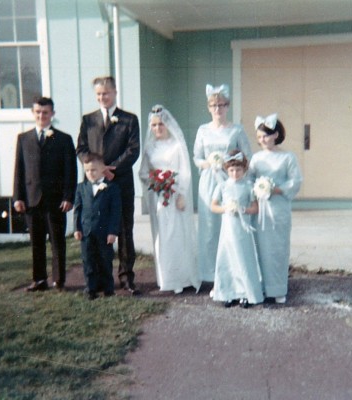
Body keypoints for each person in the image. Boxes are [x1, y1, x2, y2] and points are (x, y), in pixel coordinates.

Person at [76, 76, 140, 294]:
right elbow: (81, 149)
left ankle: (126, 277)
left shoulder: (129, 120)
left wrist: (111, 168)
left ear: (114, 93)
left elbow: (133, 150)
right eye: (99, 94)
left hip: (119, 182)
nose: (102, 97)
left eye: (106, 93)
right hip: (94, 185)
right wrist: (97, 169)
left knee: (123, 229)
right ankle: (99, 279)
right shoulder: (88, 120)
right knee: (95, 232)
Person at [13, 96, 77, 291]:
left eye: (45, 112)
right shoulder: (24, 139)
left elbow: (70, 171)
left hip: (55, 200)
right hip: (32, 200)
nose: (41, 115)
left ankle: (59, 280)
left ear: (52, 114)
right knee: (36, 243)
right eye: (38, 112)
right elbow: (19, 170)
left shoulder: (64, 139)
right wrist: (18, 197)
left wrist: (68, 196)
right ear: (33, 113)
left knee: (57, 242)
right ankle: (39, 280)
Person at [193, 84, 252, 283]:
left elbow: (246, 156)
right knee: (209, 227)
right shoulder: (203, 130)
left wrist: (230, 167)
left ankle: (233, 272)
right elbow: (197, 158)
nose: (218, 109)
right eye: (214, 105)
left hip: (230, 180)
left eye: (222, 105)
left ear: (228, 106)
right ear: (209, 108)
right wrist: (209, 163)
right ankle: (210, 273)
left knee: (230, 226)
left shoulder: (236, 130)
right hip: (209, 181)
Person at [139, 105, 201, 294]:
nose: (158, 128)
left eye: (161, 124)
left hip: (177, 196)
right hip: (159, 198)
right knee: (163, 236)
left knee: (177, 235)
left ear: (168, 125)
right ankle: (167, 278)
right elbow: (143, 173)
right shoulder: (150, 148)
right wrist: (155, 183)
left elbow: (185, 171)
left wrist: (181, 193)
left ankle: (182, 277)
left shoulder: (177, 145)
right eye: (154, 125)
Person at [248, 113, 302, 304]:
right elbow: (249, 179)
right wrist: (256, 191)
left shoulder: (287, 157)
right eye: (259, 137)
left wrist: (276, 189)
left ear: (276, 135)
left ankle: (278, 289)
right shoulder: (256, 159)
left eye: (266, 136)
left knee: (277, 248)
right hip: (261, 210)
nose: (262, 140)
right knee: (260, 248)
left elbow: (295, 181)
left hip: (279, 209)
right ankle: (261, 287)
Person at [211, 150, 264, 308]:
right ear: (227, 170)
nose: (235, 173)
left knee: (243, 258)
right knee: (227, 258)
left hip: (242, 229)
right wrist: (226, 208)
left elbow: (255, 208)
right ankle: (228, 293)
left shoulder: (248, 186)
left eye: (238, 170)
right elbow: (213, 206)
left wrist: (242, 209)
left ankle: (245, 294)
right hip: (228, 230)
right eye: (231, 170)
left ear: (244, 169)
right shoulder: (222, 186)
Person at [73, 153, 121, 300]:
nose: (90, 173)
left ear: (102, 169)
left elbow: (115, 212)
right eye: (87, 170)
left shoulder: (112, 188)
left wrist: (113, 232)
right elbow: (78, 209)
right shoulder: (82, 187)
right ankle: (90, 289)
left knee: (105, 261)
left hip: (104, 232)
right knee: (88, 262)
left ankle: (108, 289)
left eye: (93, 170)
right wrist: (77, 228)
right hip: (86, 232)